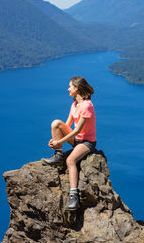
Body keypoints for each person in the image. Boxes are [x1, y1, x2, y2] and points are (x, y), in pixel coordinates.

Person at [43, 76, 96, 211]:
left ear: (77, 88)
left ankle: (74, 197)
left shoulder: (87, 105)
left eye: (70, 86)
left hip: (87, 142)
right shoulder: (74, 104)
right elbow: (67, 125)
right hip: (76, 139)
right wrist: (55, 140)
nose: (68, 89)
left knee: (71, 160)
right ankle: (58, 156)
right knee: (56, 123)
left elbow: (78, 129)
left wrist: (58, 141)